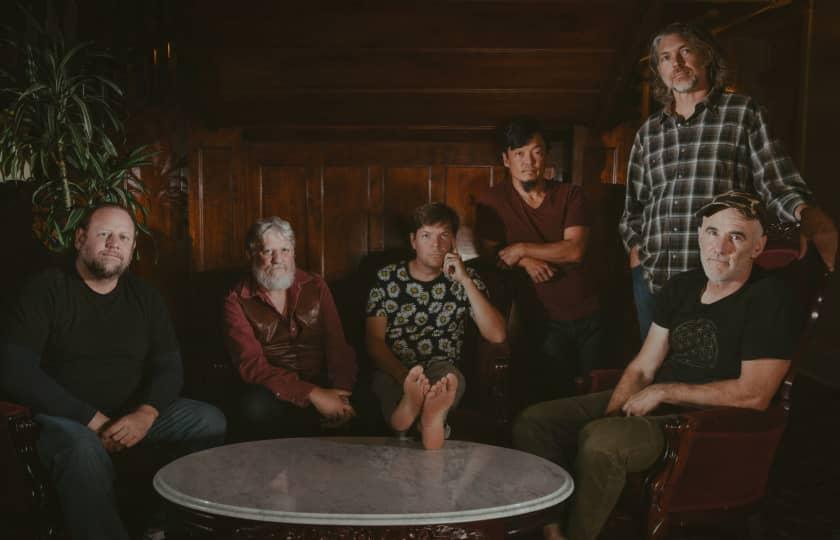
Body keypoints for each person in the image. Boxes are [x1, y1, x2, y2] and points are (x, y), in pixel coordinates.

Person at [514, 191, 800, 540]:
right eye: (712, 232)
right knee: (535, 423)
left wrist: (664, 392)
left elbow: (754, 395)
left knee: (602, 441)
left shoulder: (771, 298)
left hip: (704, 425)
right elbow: (642, 368)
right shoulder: (682, 286)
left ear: (758, 247)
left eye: (736, 237)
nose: (720, 247)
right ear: (700, 234)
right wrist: (614, 413)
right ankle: (554, 532)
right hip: (655, 404)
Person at [0, 204, 227, 540]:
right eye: (103, 234)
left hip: (130, 413)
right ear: (80, 239)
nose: (113, 244)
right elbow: (15, 369)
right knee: (82, 450)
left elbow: (169, 367)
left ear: (132, 248)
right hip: (66, 418)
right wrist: (93, 421)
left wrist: (146, 413)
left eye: (123, 237)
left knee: (208, 421)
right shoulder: (46, 289)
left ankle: (163, 525)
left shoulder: (145, 297)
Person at [618, 21, 837, 339]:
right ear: (659, 70)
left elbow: (776, 182)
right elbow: (634, 208)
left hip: (719, 278)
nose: (675, 63)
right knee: (654, 367)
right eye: (665, 57)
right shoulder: (648, 132)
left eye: (685, 51)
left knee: (716, 365)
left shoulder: (743, 113)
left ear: (706, 56)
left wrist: (810, 217)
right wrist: (637, 255)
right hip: (655, 280)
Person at [476, 116, 603, 402]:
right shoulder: (492, 201)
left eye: (536, 152)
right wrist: (525, 261)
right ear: (506, 159)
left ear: (546, 156)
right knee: (549, 398)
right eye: (519, 153)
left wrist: (521, 249)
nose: (528, 161)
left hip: (589, 313)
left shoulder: (571, 195)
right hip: (540, 320)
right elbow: (492, 254)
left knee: (595, 397)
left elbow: (574, 250)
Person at [365, 202, 506, 449]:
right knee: (384, 383)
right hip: (396, 366)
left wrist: (465, 280)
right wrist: (403, 375)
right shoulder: (388, 277)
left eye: (444, 236)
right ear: (413, 241)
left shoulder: (465, 280)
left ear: (453, 242)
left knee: (452, 380)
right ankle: (422, 421)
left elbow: (497, 335)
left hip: (441, 366)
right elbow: (374, 341)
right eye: (426, 236)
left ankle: (422, 420)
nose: (436, 245)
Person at [223, 217, 358, 440]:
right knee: (254, 407)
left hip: (322, 379)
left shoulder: (315, 285)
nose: (278, 259)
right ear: (251, 255)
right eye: (268, 251)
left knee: (369, 399)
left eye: (284, 250)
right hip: (275, 390)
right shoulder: (236, 299)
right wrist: (312, 394)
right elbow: (252, 366)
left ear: (293, 252)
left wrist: (342, 394)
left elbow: (337, 344)